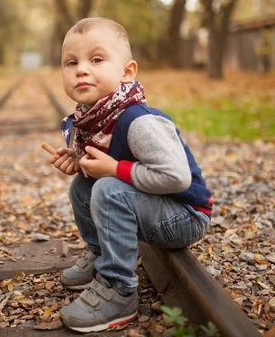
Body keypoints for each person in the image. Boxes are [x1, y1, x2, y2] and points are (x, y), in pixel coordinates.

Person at [47, 17, 213, 333]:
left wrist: (113, 170)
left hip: (185, 214)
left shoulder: (140, 122)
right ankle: (100, 256)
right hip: (154, 203)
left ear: (127, 72)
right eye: (71, 62)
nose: (81, 69)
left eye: (96, 59)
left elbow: (177, 178)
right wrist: (76, 160)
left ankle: (118, 288)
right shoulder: (89, 120)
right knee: (83, 186)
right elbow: (104, 165)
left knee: (108, 188)